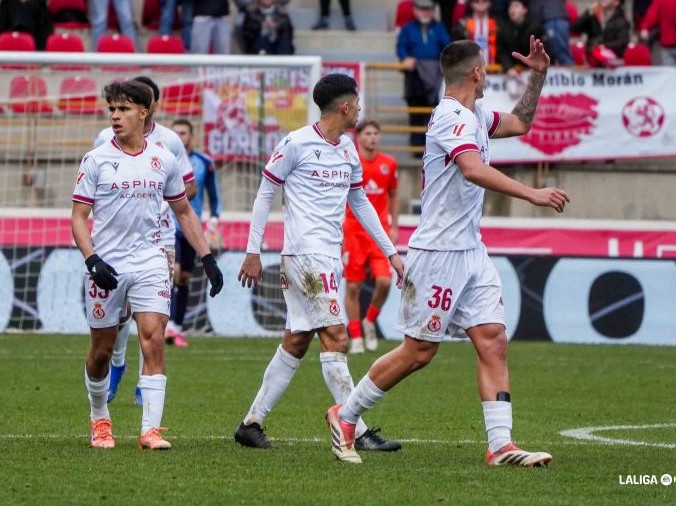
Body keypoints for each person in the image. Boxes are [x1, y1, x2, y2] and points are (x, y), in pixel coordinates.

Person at [325, 38, 570, 465]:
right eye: (485, 68)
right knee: (419, 351)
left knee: (493, 340)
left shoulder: (475, 114)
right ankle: (345, 417)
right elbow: (472, 169)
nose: (488, 74)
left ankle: (500, 445)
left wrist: (539, 75)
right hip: (437, 252)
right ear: (476, 73)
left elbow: (519, 124)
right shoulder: (449, 117)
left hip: (471, 251)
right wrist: (532, 194)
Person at [233, 74, 405, 454]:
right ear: (344, 107)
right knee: (337, 337)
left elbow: (360, 203)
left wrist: (390, 251)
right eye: (357, 103)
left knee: (297, 340)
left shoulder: (347, 149)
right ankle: (354, 427)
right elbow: (265, 194)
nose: (360, 109)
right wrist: (252, 251)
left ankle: (252, 423)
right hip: (305, 256)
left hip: (328, 255)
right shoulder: (295, 143)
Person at [72, 80, 224, 450]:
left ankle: (151, 429)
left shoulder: (163, 158)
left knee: (154, 338)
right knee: (101, 351)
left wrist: (207, 257)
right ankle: (99, 418)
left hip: (152, 259)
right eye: (112, 109)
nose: (115, 116)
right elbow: (78, 218)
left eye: (122, 109)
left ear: (144, 112)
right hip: (106, 263)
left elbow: (183, 210)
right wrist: (92, 260)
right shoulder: (96, 159)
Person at [94, 76, 198, 405]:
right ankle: (117, 364)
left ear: (152, 106)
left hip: (159, 241)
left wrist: (156, 202)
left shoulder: (170, 142)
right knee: (120, 314)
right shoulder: (104, 139)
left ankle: (144, 380)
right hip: (114, 242)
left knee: (151, 316)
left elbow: (188, 188)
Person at [344, 120, 398, 355]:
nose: (373, 137)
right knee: (353, 287)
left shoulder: (389, 164)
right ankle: (355, 335)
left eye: (376, 133)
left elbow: (394, 194)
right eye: (368, 133)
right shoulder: (350, 162)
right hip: (354, 233)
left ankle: (370, 320)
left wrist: (394, 225)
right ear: (359, 137)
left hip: (380, 234)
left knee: (385, 282)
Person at [166, 119, 221, 347]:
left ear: (192, 135)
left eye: (184, 133)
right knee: (174, 271)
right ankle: (163, 324)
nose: (180, 136)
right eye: (176, 132)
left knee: (184, 278)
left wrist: (214, 220)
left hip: (191, 227)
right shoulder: (163, 159)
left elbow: (214, 196)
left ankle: (175, 327)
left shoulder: (204, 163)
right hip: (168, 225)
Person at [397, 0, 450, 152]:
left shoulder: (439, 28)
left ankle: (431, 148)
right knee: (414, 110)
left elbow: (447, 47)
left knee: (433, 113)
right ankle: (416, 148)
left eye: (428, 9)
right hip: (414, 75)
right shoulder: (407, 29)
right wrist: (405, 58)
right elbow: (401, 47)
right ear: (415, 10)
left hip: (435, 76)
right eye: (422, 9)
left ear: (433, 11)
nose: (425, 12)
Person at [571, 0, 630, 67]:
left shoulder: (621, 20)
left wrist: (604, 46)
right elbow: (575, 29)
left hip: (612, 64)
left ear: (616, 2)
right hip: (592, 61)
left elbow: (623, 42)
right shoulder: (593, 16)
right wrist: (587, 12)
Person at [496, 0, 544, 74]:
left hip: (532, 70)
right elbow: (502, 52)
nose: (512, 9)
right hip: (512, 71)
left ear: (524, 10)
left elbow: (542, 51)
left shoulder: (535, 28)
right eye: (510, 6)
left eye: (516, 6)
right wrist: (508, 67)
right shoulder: (503, 29)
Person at [451, 0, 498, 64]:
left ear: (490, 3)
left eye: (484, 1)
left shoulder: (497, 24)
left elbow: (502, 49)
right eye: (476, 1)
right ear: (471, 3)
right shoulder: (463, 25)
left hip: (495, 68)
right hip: (469, 69)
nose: (480, 2)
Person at [529, 0, 573, 65]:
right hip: (553, 15)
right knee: (556, 51)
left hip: (551, 17)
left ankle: (569, 72)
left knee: (560, 51)